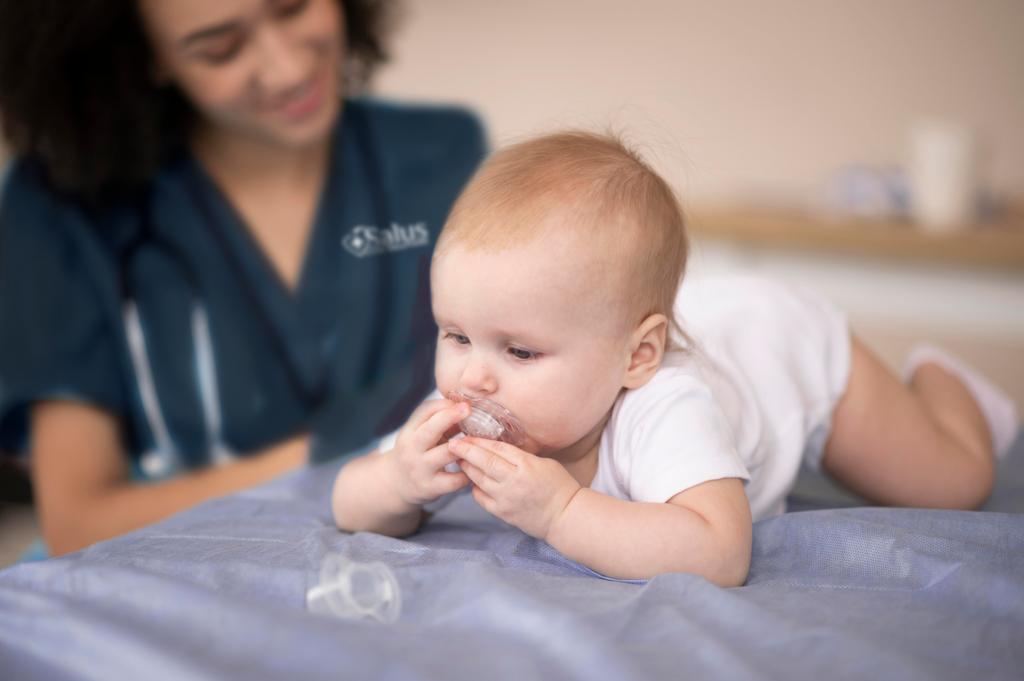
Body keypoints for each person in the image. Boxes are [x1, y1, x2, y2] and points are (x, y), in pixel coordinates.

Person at [330, 131, 1018, 585]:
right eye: (455, 334)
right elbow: (347, 501)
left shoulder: (665, 407)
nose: (472, 375)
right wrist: (398, 481)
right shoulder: (475, 392)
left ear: (637, 357)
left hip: (788, 349)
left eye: (521, 350)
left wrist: (562, 512)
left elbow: (720, 550)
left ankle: (940, 377)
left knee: (953, 480)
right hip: (706, 317)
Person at [0, 0, 485, 557]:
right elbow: (79, 524)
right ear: (145, 57)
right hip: (170, 570)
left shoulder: (442, 154)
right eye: (220, 49)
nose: (286, 69)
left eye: (294, 7)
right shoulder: (62, 205)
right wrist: (351, 453)